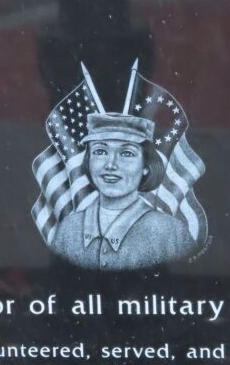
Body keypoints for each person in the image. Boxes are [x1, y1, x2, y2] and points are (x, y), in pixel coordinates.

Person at [52, 113, 193, 270]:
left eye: (126, 153)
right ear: (88, 160)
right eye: (100, 151)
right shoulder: (68, 228)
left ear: (146, 166)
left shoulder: (171, 232)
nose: (110, 165)